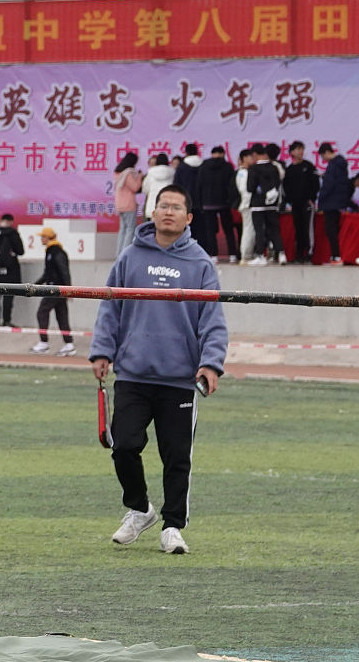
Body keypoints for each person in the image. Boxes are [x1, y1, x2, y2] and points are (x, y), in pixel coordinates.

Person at [90, 184, 227, 555]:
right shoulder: (130, 258)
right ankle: (139, 509)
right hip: (133, 374)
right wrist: (101, 351)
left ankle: (172, 526)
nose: (168, 211)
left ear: (189, 217)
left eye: (176, 207)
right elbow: (109, 308)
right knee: (124, 446)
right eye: (162, 205)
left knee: (176, 456)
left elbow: (212, 320)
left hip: (180, 380)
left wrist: (211, 363)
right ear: (152, 212)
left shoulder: (200, 263)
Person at [31, 226, 75, 356]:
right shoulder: (51, 251)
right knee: (61, 315)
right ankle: (69, 344)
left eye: (42, 237)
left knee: (42, 312)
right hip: (57, 289)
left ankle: (44, 343)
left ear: (47, 238)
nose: (41, 240)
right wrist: (35, 285)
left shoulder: (56, 252)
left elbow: (64, 272)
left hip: (56, 289)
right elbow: (47, 273)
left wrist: (69, 289)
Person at [196, 146, 239, 263]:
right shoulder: (228, 167)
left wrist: (201, 203)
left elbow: (199, 185)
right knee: (228, 229)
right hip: (224, 203)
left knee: (210, 230)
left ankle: (213, 255)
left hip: (207, 203)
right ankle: (232, 254)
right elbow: (232, 186)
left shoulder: (204, 166)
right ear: (223, 154)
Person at [247, 144, 285, 266]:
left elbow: (250, 187)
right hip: (272, 204)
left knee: (259, 230)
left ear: (255, 155)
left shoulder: (253, 169)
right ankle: (281, 253)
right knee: (274, 229)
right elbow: (277, 184)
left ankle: (260, 255)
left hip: (257, 204)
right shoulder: (274, 168)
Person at [282, 140, 319, 264]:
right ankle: (298, 255)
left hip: (307, 203)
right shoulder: (290, 169)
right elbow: (286, 187)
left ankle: (309, 255)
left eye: (302, 149)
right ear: (291, 152)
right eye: (297, 149)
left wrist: (311, 199)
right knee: (298, 229)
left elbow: (315, 184)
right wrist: (289, 202)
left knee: (307, 228)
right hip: (295, 204)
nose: (300, 152)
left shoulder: (308, 166)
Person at [317, 142, 348, 266]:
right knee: (334, 229)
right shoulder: (341, 163)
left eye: (322, 156)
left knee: (331, 230)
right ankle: (336, 256)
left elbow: (329, 185)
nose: (323, 159)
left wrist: (321, 199)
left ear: (326, 153)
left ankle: (336, 256)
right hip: (338, 202)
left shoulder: (333, 165)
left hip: (330, 202)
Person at [113, 153, 142, 256]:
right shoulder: (128, 173)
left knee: (122, 229)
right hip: (128, 205)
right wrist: (139, 177)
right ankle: (125, 253)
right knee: (130, 229)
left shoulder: (118, 172)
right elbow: (135, 187)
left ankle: (119, 253)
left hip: (120, 204)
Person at [234, 149, 255, 263]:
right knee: (248, 230)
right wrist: (249, 202)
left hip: (248, 204)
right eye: (251, 157)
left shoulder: (245, 171)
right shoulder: (243, 172)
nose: (253, 159)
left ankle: (247, 254)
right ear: (244, 158)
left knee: (249, 229)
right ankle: (246, 255)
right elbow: (244, 190)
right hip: (247, 205)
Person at [140, 154, 174, 220]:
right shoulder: (172, 172)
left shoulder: (150, 172)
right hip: (168, 203)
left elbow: (145, 189)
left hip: (153, 204)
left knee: (154, 227)